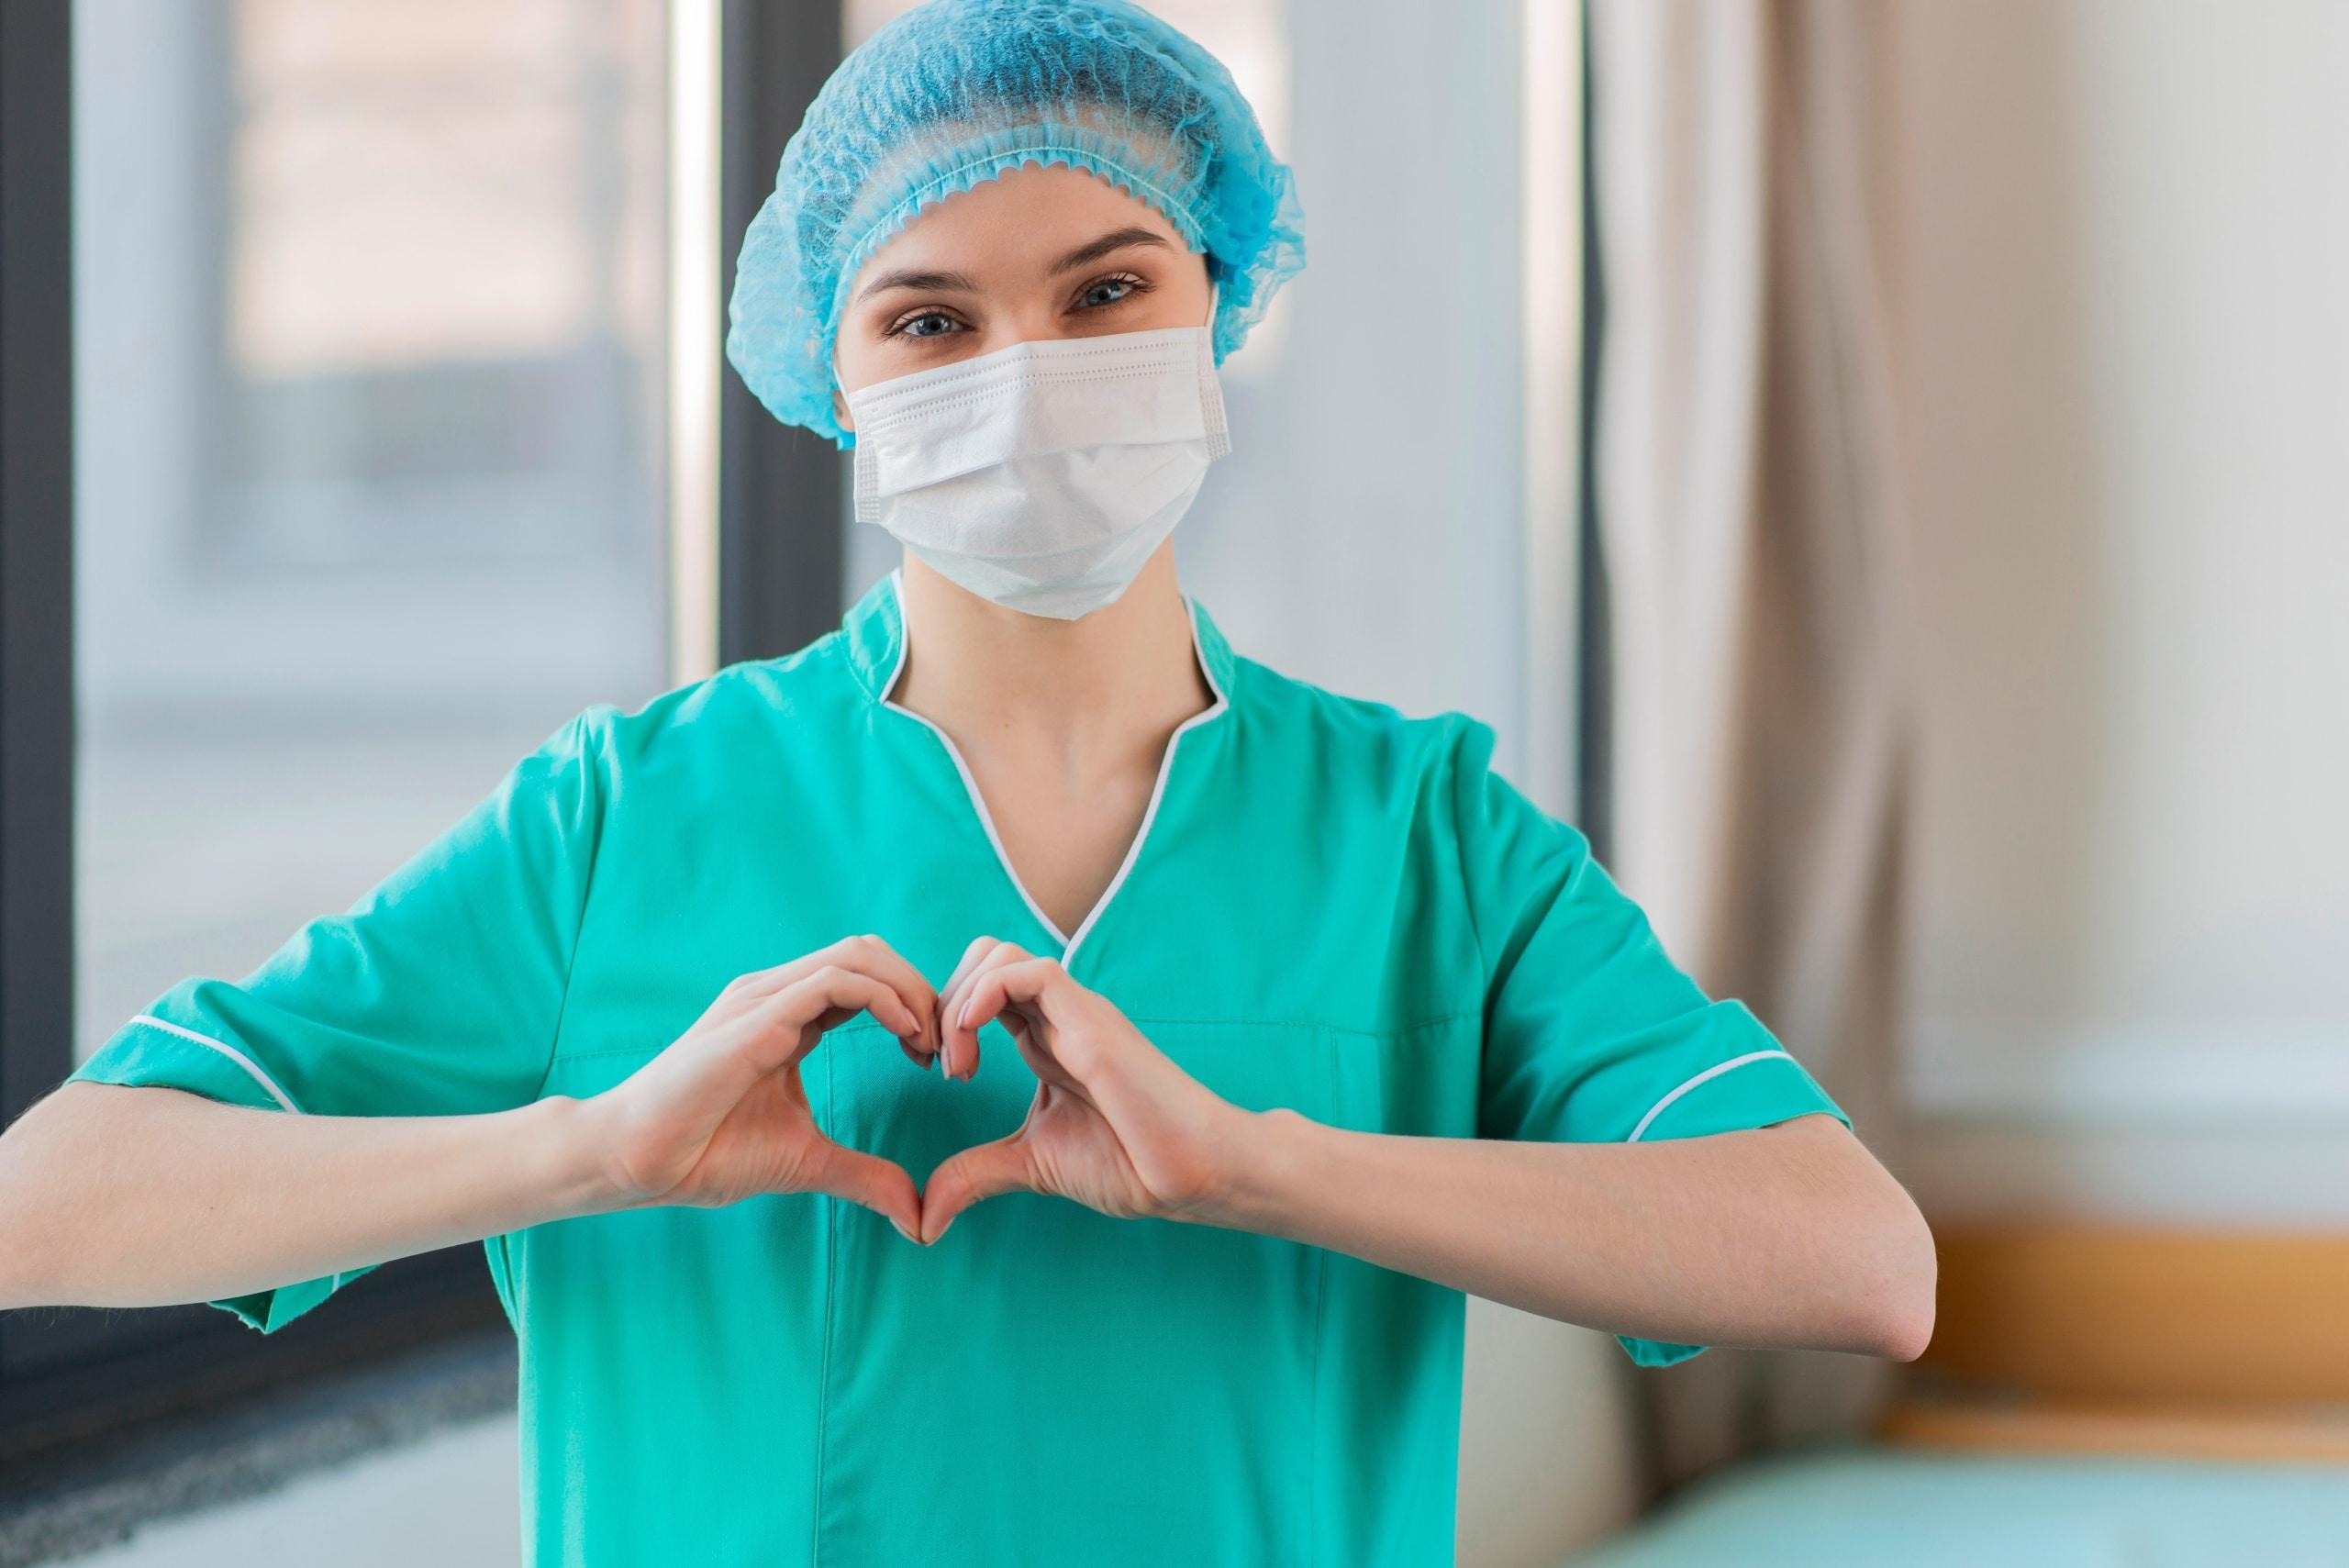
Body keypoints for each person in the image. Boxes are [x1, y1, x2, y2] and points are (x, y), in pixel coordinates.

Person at [0, 1, 1935, 1562]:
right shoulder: (624, 821)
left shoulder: (1425, 839)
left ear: (1222, 298)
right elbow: (52, 1205)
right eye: (929, 320)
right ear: (830, 379)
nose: (1023, 373)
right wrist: (588, 1146)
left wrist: (1265, 1165)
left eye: (1105, 292)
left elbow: (1854, 1263)